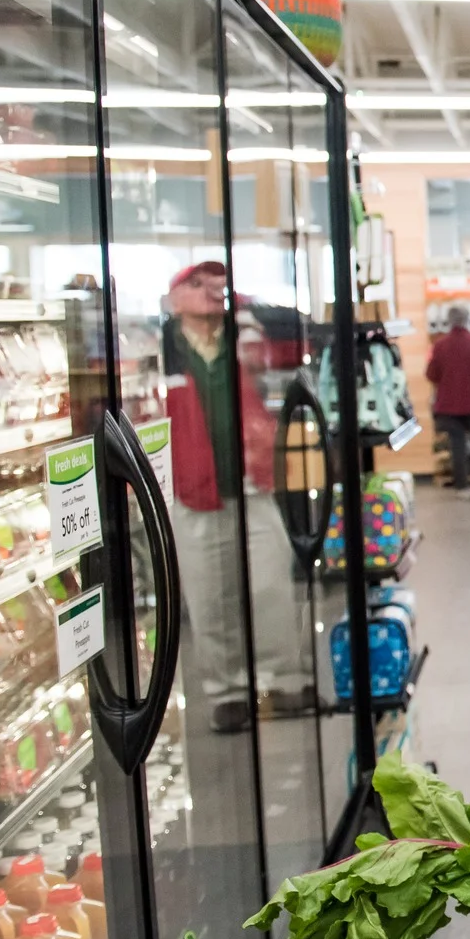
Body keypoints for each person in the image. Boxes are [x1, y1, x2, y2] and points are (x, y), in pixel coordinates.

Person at [159, 260, 310, 733]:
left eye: (218, 284)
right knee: (210, 596)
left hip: (254, 484)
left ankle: (283, 682)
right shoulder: (159, 349)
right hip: (193, 491)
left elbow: (298, 349)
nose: (212, 292)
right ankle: (227, 693)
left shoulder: (246, 336)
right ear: (174, 296)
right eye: (198, 284)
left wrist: (250, 320)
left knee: (271, 586)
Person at [425, 303, 470, 495]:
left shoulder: (439, 346)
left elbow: (431, 374)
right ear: (466, 320)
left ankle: (462, 487)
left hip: (449, 404)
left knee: (457, 445)